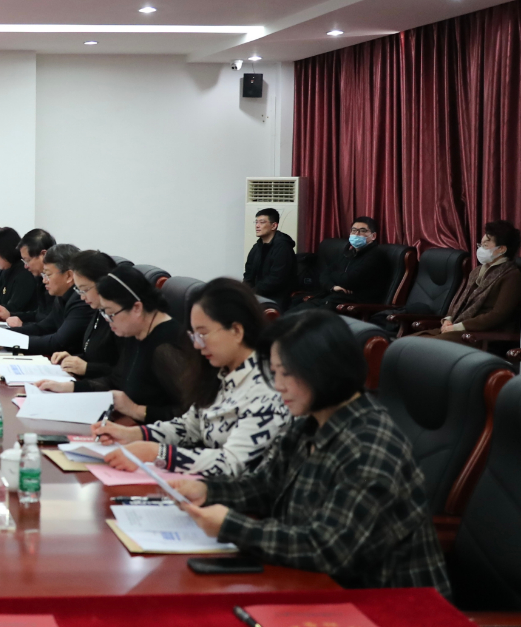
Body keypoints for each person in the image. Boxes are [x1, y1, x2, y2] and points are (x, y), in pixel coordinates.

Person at [169, 309, 451, 595]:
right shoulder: (309, 424)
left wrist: (232, 526)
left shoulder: (369, 447)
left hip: (389, 606)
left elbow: (327, 549)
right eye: (274, 373)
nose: (278, 386)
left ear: (324, 369)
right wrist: (207, 490)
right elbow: (266, 486)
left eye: (286, 373)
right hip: (316, 586)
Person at [96, 278, 290, 479]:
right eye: (194, 336)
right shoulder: (222, 373)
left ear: (236, 331)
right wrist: (133, 434)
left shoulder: (268, 386)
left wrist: (158, 453)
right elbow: (189, 427)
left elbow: (233, 464)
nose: (197, 345)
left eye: (203, 334)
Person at [38, 265, 195, 425]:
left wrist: (136, 410)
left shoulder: (167, 345)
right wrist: (68, 387)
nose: (108, 321)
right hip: (130, 425)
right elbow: (116, 380)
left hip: (152, 433)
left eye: (111, 313)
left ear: (137, 308)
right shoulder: (136, 331)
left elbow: (191, 414)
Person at [416, 220, 521, 342]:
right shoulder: (477, 271)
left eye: (485, 246)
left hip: (479, 336)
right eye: (480, 245)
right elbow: (460, 301)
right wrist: (448, 320)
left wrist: (458, 327)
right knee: (408, 342)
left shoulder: (512, 276)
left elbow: (498, 315)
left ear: (501, 249)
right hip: (457, 328)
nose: (480, 250)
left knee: (422, 346)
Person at [4, 244, 93, 356]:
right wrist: (4, 334)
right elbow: (43, 327)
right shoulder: (62, 296)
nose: (44, 281)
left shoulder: (82, 300)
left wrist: (9, 341)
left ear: (69, 276)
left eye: (48, 275)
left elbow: (58, 343)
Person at [47, 250, 121, 382]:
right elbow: (93, 356)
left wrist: (87, 368)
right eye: (79, 290)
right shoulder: (99, 310)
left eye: (85, 289)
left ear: (103, 284)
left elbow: (123, 372)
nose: (82, 297)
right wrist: (73, 359)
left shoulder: (120, 318)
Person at [292, 216, 386, 310]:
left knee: (303, 315)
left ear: (373, 236)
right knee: (294, 306)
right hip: (333, 296)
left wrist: (333, 274)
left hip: (352, 305)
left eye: (362, 231)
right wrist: (332, 287)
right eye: (354, 230)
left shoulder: (375, 256)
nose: (357, 234)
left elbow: (349, 280)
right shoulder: (348, 253)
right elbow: (324, 274)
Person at [0, 228, 55, 321]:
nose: (26, 266)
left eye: (28, 260)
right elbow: (39, 315)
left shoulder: (58, 284)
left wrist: (22, 325)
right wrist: (10, 315)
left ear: (43, 255)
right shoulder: (40, 278)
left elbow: (50, 324)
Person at [242, 208, 297, 309]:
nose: (257, 226)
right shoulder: (256, 247)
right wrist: (245, 291)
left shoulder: (283, 247)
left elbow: (276, 279)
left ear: (273, 226)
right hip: (258, 294)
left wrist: (253, 293)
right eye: (256, 222)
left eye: (262, 222)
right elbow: (248, 275)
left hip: (277, 298)